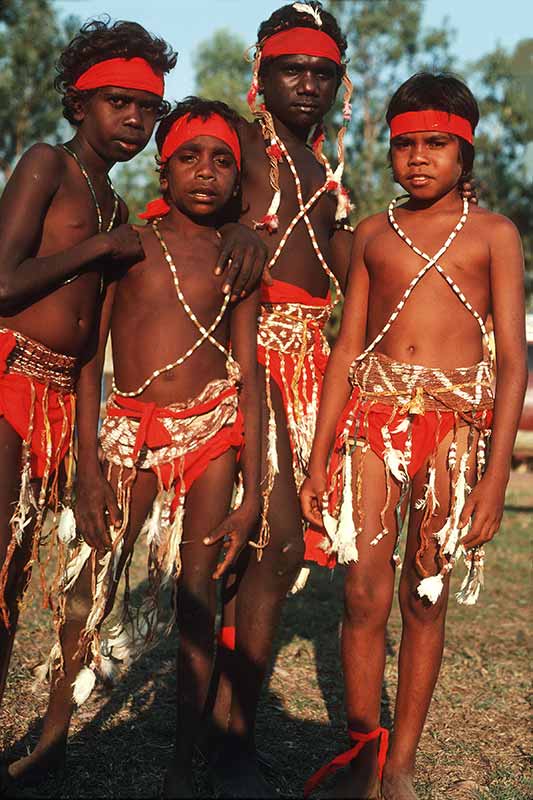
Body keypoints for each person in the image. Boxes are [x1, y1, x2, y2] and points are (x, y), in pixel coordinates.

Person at [300, 72, 527, 800]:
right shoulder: (373, 234)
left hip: (455, 430)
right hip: (374, 421)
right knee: (362, 592)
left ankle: (400, 766)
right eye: (403, 145)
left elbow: (514, 363)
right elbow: (345, 351)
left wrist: (493, 480)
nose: (418, 158)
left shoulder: (493, 234)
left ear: (465, 151)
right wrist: (316, 461)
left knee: (422, 594)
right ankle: (363, 751)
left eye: (436, 144)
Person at [0, 16, 178, 718]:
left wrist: (88, 462)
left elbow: (90, 347)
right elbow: (3, 282)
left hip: (55, 397)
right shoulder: (48, 163)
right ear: (80, 104)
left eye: (149, 108)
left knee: (12, 577)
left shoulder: (115, 202)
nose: (135, 120)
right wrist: (99, 249)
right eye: (119, 102)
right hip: (8, 374)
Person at [206, 2, 355, 795]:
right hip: (246, 354)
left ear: (339, 81)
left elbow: (345, 269)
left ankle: (222, 726)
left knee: (262, 548)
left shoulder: (327, 174)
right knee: (276, 544)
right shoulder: (240, 143)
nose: (307, 84)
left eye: (322, 72)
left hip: (307, 366)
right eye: (291, 69)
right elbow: (194, 199)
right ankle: (228, 741)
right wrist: (228, 229)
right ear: (260, 72)